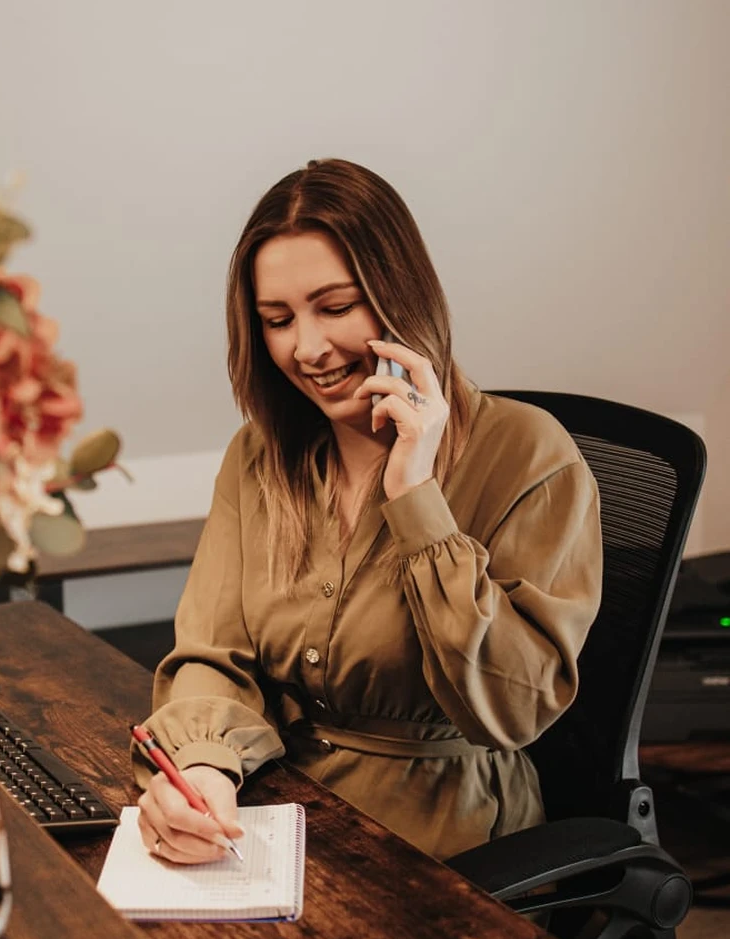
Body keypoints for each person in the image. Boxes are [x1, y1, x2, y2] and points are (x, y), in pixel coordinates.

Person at [133, 159, 602, 863]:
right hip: (279, 812)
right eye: (277, 320)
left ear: (398, 293)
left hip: (446, 846)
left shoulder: (530, 454)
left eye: (336, 306)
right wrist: (202, 768)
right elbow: (212, 649)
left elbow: (514, 708)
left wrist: (417, 499)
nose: (309, 348)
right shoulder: (261, 454)